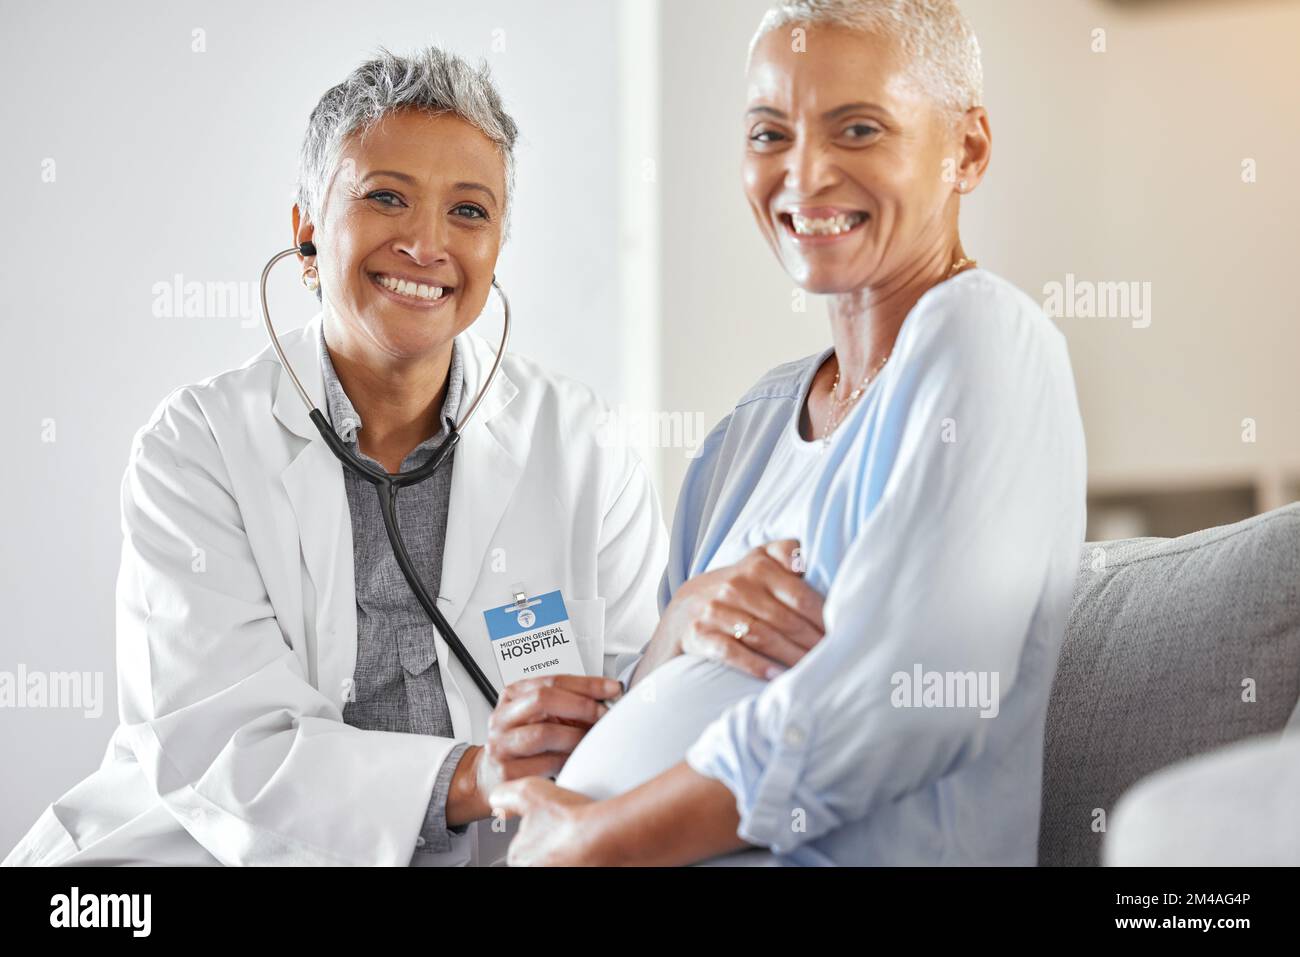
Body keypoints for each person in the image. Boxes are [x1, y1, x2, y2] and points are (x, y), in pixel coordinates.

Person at [4, 47, 673, 867]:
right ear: (307, 231)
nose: (427, 244)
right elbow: (226, 745)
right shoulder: (198, 446)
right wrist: (473, 773)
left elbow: (644, 710)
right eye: (386, 197)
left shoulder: (583, 448)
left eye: (469, 211)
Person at [492, 0, 1088, 866]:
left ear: (968, 148)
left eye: (856, 129)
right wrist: (650, 658)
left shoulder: (984, 337)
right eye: (770, 135)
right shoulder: (748, 431)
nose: (804, 176)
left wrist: (592, 840)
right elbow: (681, 701)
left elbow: (907, 700)